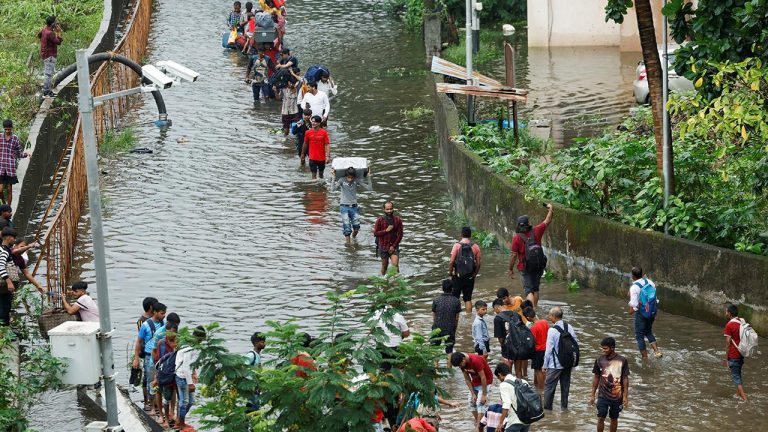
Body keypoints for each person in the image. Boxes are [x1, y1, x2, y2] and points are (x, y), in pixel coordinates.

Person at [508, 204, 553, 308]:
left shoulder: (516, 238)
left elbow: (514, 256)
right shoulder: (537, 230)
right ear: (528, 223)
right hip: (538, 265)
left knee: (529, 291)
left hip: (525, 267)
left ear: (519, 225)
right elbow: (547, 220)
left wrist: (510, 268)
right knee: (535, 289)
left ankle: (531, 312)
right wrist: (551, 209)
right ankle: (535, 308)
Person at [589, 337, 630, 432]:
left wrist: (625, 396)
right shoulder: (599, 360)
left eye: (605, 348)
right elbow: (596, 377)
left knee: (614, 418)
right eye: (602, 348)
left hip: (617, 396)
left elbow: (625, 378)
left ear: (612, 348)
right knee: (600, 418)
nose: (603, 350)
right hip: (602, 396)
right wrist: (592, 395)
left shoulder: (622, 360)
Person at [132, 302, 167, 412]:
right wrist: (136, 358)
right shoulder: (145, 325)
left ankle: (158, 404)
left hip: (162, 356)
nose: (164, 315)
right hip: (149, 356)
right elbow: (139, 342)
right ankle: (150, 404)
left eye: (165, 313)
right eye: (162, 313)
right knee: (149, 379)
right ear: (155, 312)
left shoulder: (165, 324)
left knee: (160, 379)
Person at [543, 306, 577, 411]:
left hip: (555, 365)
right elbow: (575, 344)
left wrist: (545, 365)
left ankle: (548, 410)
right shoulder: (569, 327)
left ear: (554, 316)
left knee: (549, 388)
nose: (549, 317)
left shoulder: (552, 330)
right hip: (567, 363)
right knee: (565, 388)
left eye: (550, 315)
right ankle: (564, 408)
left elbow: (548, 350)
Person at [451, 352, 493, 428]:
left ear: (463, 359)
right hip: (475, 382)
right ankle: (479, 422)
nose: (460, 367)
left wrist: (484, 394)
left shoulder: (475, 360)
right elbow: (467, 379)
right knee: (471, 402)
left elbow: (483, 377)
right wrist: (473, 393)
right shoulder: (462, 364)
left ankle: (479, 426)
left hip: (486, 381)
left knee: (481, 403)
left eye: (460, 365)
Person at [330, 166, 372, 243]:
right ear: (346, 176)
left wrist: (369, 177)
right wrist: (333, 177)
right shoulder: (341, 180)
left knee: (356, 227)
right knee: (347, 227)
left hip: (354, 207)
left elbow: (369, 188)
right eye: (348, 177)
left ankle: (353, 239)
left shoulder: (356, 180)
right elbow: (332, 189)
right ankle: (348, 245)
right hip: (344, 206)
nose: (350, 179)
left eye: (351, 177)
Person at [175, 326, 206, 431]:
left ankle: (180, 421)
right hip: (182, 377)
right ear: (197, 337)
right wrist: (190, 384)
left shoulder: (192, 345)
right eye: (201, 340)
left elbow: (190, 364)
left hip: (186, 376)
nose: (201, 342)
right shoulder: (189, 348)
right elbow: (185, 367)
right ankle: (181, 424)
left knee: (191, 401)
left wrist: (194, 373)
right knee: (184, 402)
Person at [628, 266, 662, 359]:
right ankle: (657, 352)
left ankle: (645, 358)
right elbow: (654, 298)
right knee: (648, 332)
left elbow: (634, 305)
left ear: (633, 276)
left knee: (639, 336)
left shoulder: (634, 287)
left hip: (641, 313)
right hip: (652, 311)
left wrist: (630, 311)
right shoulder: (650, 282)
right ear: (642, 274)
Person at [448, 226, 482, 314]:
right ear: (470, 235)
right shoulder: (475, 247)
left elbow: (451, 261)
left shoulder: (457, 245)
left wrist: (450, 273)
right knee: (468, 298)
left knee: (455, 297)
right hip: (470, 276)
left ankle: (454, 316)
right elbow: (478, 263)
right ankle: (469, 317)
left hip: (458, 275)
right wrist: (474, 274)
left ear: (461, 235)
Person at [152, 327, 178, 428]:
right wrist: (156, 376)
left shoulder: (178, 343)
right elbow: (157, 361)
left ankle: (171, 412)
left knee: (173, 391)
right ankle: (161, 415)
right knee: (159, 391)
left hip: (172, 372)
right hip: (162, 371)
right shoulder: (161, 343)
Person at [431, 279, 462, 364]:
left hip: (437, 328)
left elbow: (434, 316)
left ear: (442, 288)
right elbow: (457, 318)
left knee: (435, 348)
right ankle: (449, 371)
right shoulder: (456, 301)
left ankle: (435, 368)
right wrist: (454, 329)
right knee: (449, 350)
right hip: (450, 328)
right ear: (452, 288)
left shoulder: (436, 300)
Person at [495, 362, 532, 432]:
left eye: (498, 377)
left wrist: (500, 423)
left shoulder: (504, 385)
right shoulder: (523, 381)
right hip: (527, 420)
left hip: (514, 422)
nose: (499, 380)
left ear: (499, 374)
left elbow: (506, 404)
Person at [0, 120, 30, 206]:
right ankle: (4, 204)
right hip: (1, 167)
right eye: (6, 129)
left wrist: (27, 154)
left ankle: (8, 208)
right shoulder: (0, 137)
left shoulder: (15, 138)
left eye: (9, 129)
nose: (7, 131)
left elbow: (19, 153)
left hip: (10, 167)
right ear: (4, 129)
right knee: (0, 190)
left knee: (9, 189)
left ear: (11, 128)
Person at [724, 304, 748, 401]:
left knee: (736, 378)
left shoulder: (729, 325)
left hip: (734, 355)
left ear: (729, 313)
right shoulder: (741, 321)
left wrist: (726, 358)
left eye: (726, 311)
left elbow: (727, 343)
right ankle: (738, 395)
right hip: (741, 353)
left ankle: (745, 400)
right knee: (738, 373)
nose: (725, 313)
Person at [373, 201, 403, 275]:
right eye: (387, 209)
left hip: (394, 246)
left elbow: (400, 234)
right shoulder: (379, 220)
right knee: (384, 267)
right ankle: (383, 282)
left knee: (395, 265)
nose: (389, 211)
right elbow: (376, 233)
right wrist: (386, 231)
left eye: (391, 209)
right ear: (384, 209)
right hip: (383, 247)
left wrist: (394, 246)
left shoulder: (398, 220)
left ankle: (397, 282)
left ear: (393, 209)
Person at [37, 16, 63, 97]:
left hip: (44, 54)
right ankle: (46, 92)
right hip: (50, 55)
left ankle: (47, 90)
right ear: (52, 24)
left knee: (48, 73)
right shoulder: (50, 33)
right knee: (48, 74)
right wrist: (58, 32)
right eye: (56, 22)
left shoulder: (44, 30)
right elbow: (58, 42)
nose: (57, 23)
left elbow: (39, 35)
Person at [524, 307, 548, 390]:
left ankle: (541, 389)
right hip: (546, 349)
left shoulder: (533, 328)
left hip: (538, 351)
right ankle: (540, 386)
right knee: (543, 369)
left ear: (528, 318)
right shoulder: (545, 322)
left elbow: (532, 342)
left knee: (538, 370)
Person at [301, 115, 330, 179]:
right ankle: (313, 187)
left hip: (322, 158)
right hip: (312, 157)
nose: (313, 123)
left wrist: (327, 156)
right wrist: (303, 153)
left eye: (315, 122)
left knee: (321, 175)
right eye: (313, 121)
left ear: (319, 123)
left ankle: (321, 188)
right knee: (313, 175)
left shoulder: (324, 132)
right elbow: (305, 143)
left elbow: (327, 144)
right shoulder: (308, 132)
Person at [0, 228, 18, 326]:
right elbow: (1, 266)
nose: (14, 240)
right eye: (13, 238)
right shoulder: (4, 251)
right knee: (4, 307)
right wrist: (9, 282)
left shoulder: (4, 249)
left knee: (5, 306)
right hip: (3, 286)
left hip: (3, 287)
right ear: (7, 238)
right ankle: (3, 330)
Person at [245, 331, 266, 412]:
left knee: (253, 410)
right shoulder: (251, 355)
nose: (265, 344)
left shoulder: (258, 356)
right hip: (251, 389)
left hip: (256, 389)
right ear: (256, 343)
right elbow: (242, 367)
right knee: (252, 410)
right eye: (263, 342)